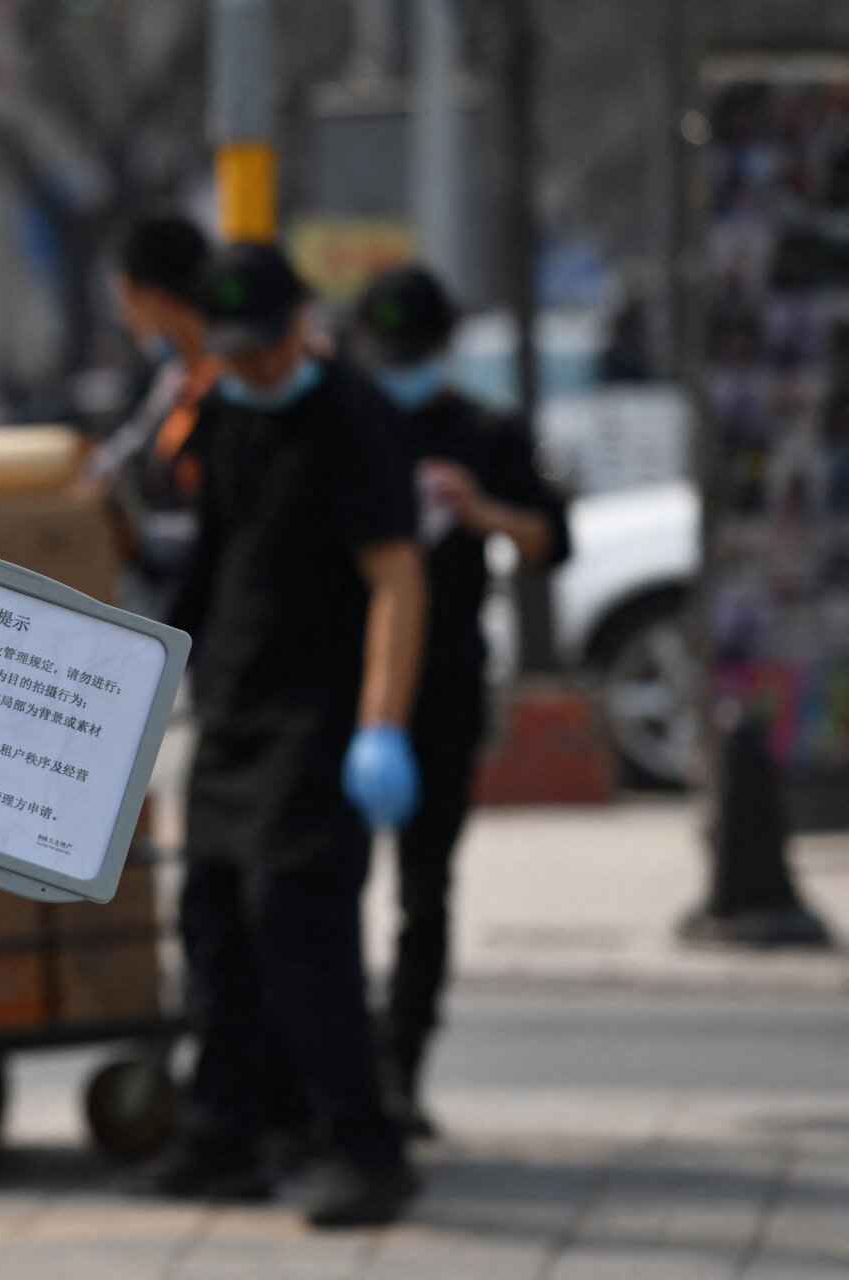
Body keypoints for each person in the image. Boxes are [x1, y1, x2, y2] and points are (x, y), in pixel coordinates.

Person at [136, 242, 427, 1228]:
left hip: (324, 714)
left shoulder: (352, 418)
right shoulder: (224, 414)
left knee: (299, 925)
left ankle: (361, 1145)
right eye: (235, 350)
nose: (254, 366)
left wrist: (382, 726)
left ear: (303, 319)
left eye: (266, 346)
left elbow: (397, 576)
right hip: (236, 704)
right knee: (214, 921)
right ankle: (226, 1134)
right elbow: (211, 567)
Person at [352, 265, 571, 1137]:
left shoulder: (484, 431)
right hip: (347, 687)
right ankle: (336, 1059)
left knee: (424, 889)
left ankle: (402, 1063)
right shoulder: (349, 425)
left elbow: (553, 536)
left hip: (444, 688)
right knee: (323, 883)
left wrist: (484, 513)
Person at [82, 216, 219, 619]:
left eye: (126, 302)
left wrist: (149, 539)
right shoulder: (176, 381)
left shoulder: (232, 387)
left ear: (154, 299)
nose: (127, 320)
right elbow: (117, 459)